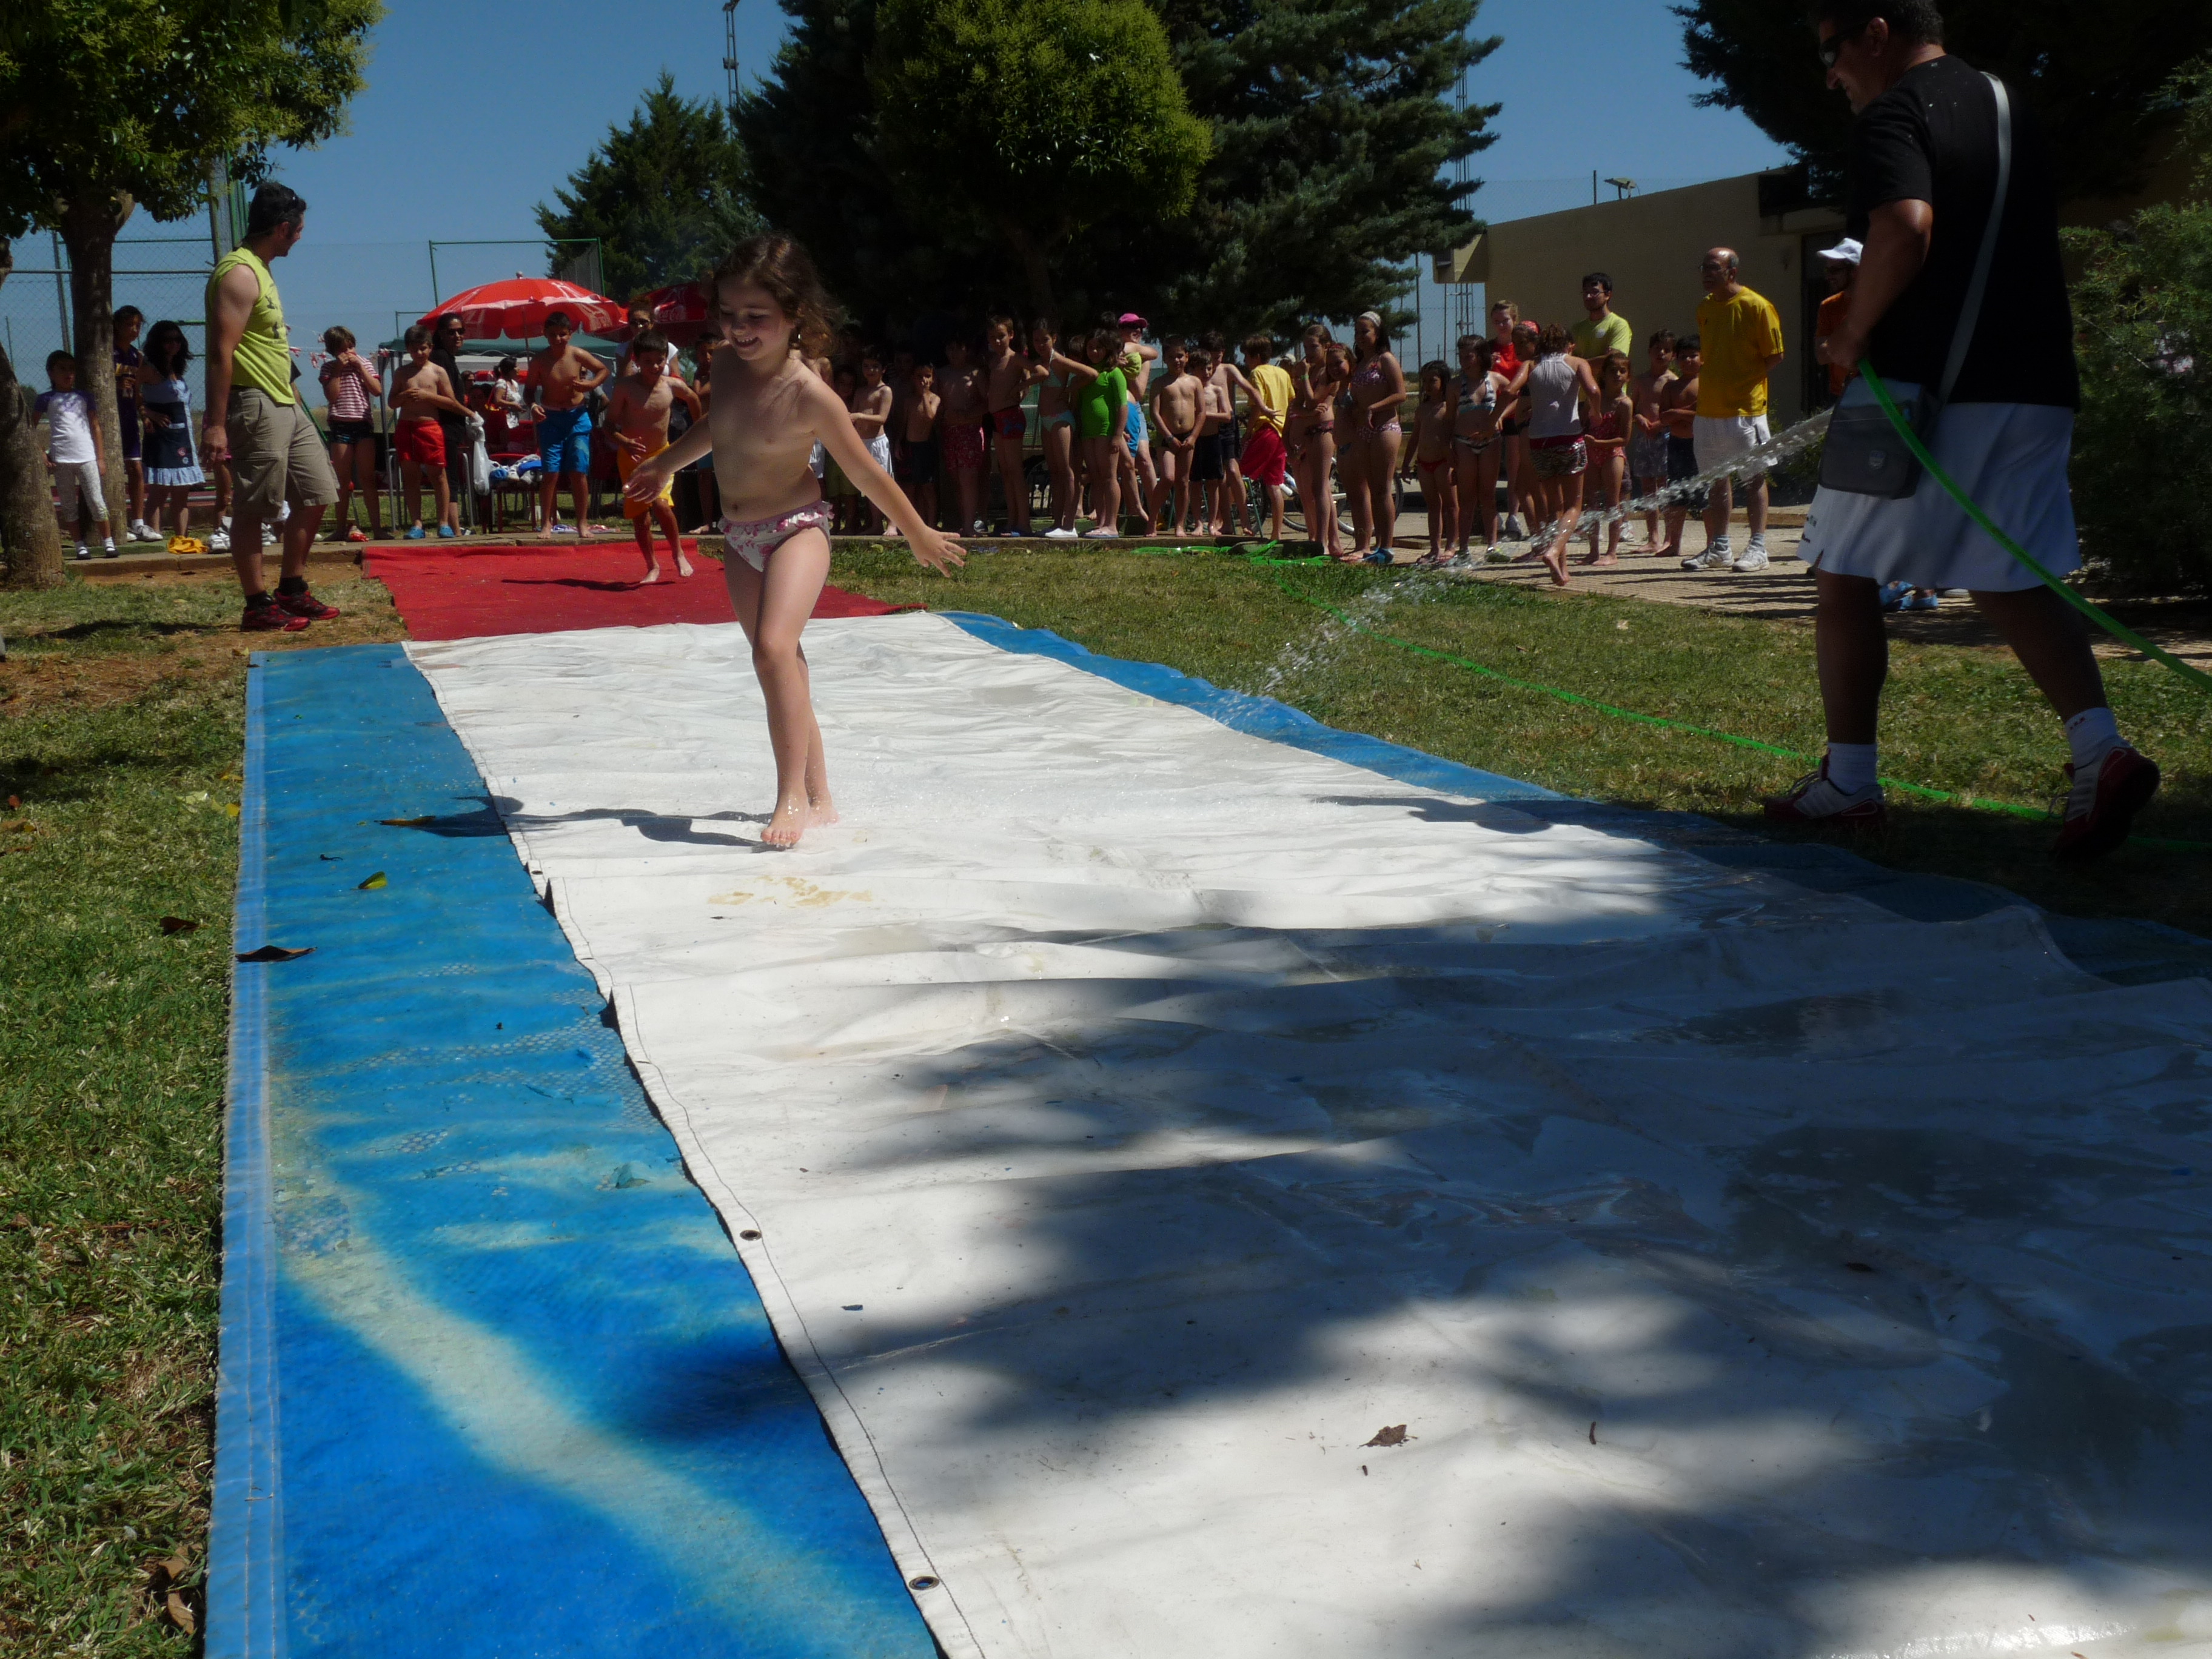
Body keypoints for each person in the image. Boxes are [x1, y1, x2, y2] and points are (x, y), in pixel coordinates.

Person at [1774, 0, 2159, 857]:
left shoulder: (1896, 112)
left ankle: (1850, 783)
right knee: (2007, 569)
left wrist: (1852, 332)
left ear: (1879, 32)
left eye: (1834, 50)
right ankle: (2100, 752)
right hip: (2036, 382)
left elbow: (1905, 227)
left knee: (1842, 571)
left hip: (1930, 392)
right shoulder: (2007, 101)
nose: (1831, 75)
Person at [620, 232, 960, 849]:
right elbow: (717, 426)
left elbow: (865, 473)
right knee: (782, 666)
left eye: (756, 316)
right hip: (739, 536)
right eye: (729, 313)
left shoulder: (810, 394)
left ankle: (790, 797)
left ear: (795, 315)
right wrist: (666, 462)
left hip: (797, 530)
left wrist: (917, 533)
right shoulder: (726, 366)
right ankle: (821, 793)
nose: (739, 328)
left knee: (773, 650)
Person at [202, 182, 341, 632]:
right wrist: (215, 424)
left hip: (285, 400)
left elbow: (268, 345)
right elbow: (221, 353)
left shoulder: (261, 270)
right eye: (298, 231)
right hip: (254, 401)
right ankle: (257, 605)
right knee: (254, 506)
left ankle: (291, 589)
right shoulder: (239, 274)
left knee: (319, 491)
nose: (299, 238)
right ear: (282, 228)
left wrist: (295, 395)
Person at [1681, 247, 1785, 572]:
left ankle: (1758, 548)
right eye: (1703, 267)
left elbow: (1775, 355)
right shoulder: (1705, 307)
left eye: (1713, 267)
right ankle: (1720, 548)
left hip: (1746, 410)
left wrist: (1743, 380)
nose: (1706, 274)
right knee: (1716, 480)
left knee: (1753, 479)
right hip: (1709, 410)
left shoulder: (1757, 306)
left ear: (1732, 272)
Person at [605, 327, 704, 582]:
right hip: (632, 459)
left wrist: (698, 432)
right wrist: (624, 442)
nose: (655, 366)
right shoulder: (625, 387)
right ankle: (652, 565)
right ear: (637, 361)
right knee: (641, 518)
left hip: (662, 457)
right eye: (648, 362)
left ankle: (678, 552)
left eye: (660, 361)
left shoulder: (672, 385)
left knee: (661, 505)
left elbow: (693, 399)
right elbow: (608, 425)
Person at [1512, 323, 1598, 587]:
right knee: (1574, 506)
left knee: (1554, 507)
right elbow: (1594, 391)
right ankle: (1553, 550)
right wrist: (1596, 413)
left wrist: (1494, 420)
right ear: (1569, 345)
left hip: (1539, 442)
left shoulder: (1531, 365)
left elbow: (1509, 391)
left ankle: (1561, 571)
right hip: (1569, 438)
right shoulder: (1577, 362)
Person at [525, 309, 609, 536]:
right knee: (550, 473)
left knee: (578, 471)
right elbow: (529, 391)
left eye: (562, 334)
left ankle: (582, 522)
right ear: (545, 334)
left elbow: (603, 370)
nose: (558, 339)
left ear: (570, 334)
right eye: (553, 335)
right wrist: (533, 407)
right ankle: (546, 523)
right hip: (550, 418)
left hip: (577, 417)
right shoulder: (539, 361)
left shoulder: (577, 355)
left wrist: (591, 385)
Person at [35, 352, 116, 559]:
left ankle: (108, 542)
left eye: (71, 369)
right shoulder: (46, 399)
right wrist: (42, 453)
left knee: (96, 501)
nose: (68, 374)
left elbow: (95, 426)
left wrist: (100, 458)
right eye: (62, 369)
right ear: (51, 373)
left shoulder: (84, 397)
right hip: (61, 460)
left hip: (87, 457)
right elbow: (30, 427)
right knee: (69, 505)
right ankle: (79, 545)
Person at [390, 324, 467, 540]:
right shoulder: (402, 373)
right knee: (410, 476)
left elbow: (451, 402)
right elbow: (391, 402)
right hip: (407, 426)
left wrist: (428, 397)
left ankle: (443, 523)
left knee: (438, 474)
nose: (419, 353)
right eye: (414, 349)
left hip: (430, 426)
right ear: (408, 349)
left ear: (430, 348)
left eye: (423, 349)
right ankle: (417, 523)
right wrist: (404, 396)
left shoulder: (437, 371)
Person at [1342, 311, 1407, 563]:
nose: (1360, 337)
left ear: (1377, 333)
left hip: (1385, 428)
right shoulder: (1360, 364)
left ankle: (1386, 547)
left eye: (1365, 331)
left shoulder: (1385, 359)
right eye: (1357, 332)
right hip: (1363, 431)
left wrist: (1374, 407)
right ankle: (1372, 546)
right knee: (1369, 489)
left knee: (1382, 489)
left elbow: (1401, 394)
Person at [136, 320, 206, 541]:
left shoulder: (176, 369)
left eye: (177, 340)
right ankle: (154, 536)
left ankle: (182, 539)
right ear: (158, 342)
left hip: (183, 436)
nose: (173, 344)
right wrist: (148, 413)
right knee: (159, 491)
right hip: (162, 437)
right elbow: (129, 395)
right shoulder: (148, 368)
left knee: (182, 492)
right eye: (167, 340)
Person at [319, 325, 382, 541]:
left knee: (368, 478)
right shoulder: (328, 368)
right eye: (343, 350)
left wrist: (361, 368)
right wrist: (338, 370)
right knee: (342, 481)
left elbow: (377, 390)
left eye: (350, 347)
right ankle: (340, 528)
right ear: (333, 351)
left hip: (363, 425)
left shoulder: (364, 363)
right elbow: (332, 396)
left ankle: (377, 528)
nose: (348, 353)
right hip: (340, 425)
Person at [1289, 326, 1346, 560]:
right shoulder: (1311, 371)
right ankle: (1324, 538)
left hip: (1323, 430)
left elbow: (1312, 401)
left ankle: (1325, 541)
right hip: (1307, 432)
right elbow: (1297, 405)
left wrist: (1303, 378)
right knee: (1309, 489)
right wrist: (1306, 413)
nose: (1309, 352)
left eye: (1313, 347)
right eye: (1306, 347)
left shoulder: (1327, 373)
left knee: (1321, 487)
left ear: (1326, 346)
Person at [1031, 321, 1091, 538]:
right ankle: (1057, 523)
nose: (1040, 344)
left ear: (1054, 339)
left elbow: (1091, 373)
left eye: (1045, 340)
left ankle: (1069, 525)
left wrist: (1070, 388)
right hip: (1047, 421)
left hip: (1060, 420)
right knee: (1055, 472)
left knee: (1067, 471)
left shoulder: (1058, 360)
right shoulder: (1040, 362)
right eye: (1036, 340)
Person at [1448, 333, 1506, 558]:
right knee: (1467, 497)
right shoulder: (1455, 385)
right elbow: (1449, 419)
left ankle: (1492, 546)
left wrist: (1500, 416)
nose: (1464, 361)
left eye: (1469, 356)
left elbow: (1516, 395)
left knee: (1488, 495)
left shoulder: (1495, 379)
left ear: (1481, 356)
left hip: (1491, 442)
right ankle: (1463, 548)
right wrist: (1449, 447)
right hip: (1464, 443)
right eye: (1461, 356)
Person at [982, 315, 1037, 535]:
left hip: (1011, 416)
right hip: (996, 418)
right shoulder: (993, 361)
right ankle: (1012, 520)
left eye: (1001, 336)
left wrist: (1021, 387)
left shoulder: (1015, 358)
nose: (997, 341)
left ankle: (1024, 522)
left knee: (1015, 471)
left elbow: (1041, 372)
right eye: (992, 337)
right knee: (1005, 471)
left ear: (1011, 335)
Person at [1072, 329, 1128, 538]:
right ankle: (1102, 523)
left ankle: (1112, 525)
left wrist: (1118, 435)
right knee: (1095, 477)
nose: (1094, 352)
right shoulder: (1086, 373)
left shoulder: (1114, 373)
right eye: (1090, 348)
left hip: (1106, 432)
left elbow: (1122, 406)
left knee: (1109, 476)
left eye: (1099, 348)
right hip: (1088, 432)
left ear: (1107, 349)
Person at [1239, 334, 1295, 543]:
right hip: (1281, 432)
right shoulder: (1282, 373)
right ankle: (1277, 533)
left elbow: (1257, 405)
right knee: (1274, 484)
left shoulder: (1257, 373)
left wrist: (1248, 432)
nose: (1245, 361)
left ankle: (1233, 520)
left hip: (1265, 429)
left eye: (1247, 356)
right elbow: (1291, 400)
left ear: (1256, 356)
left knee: (1241, 477)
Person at [1582, 350, 1635, 566]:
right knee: (1592, 502)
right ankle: (1593, 551)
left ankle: (1612, 552)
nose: (1618, 375)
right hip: (1592, 453)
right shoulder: (1595, 398)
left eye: (1623, 371)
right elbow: (1583, 425)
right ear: (1603, 374)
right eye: (1613, 371)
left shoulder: (1625, 404)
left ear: (1628, 376)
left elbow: (1625, 439)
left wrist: (1598, 443)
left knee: (1613, 502)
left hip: (1613, 454)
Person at [1628, 330, 1677, 556]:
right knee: (1648, 488)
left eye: (1667, 350)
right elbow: (1631, 407)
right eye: (1658, 349)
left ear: (1673, 355)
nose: (1661, 353)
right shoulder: (1641, 380)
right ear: (1649, 352)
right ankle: (1653, 537)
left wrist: (1660, 424)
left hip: (1664, 436)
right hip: (1644, 437)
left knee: (1665, 487)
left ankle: (1669, 537)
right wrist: (1638, 418)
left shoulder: (1673, 381)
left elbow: (1675, 412)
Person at [1487, 300, 1532, 539]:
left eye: (1505, 320)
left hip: (1516, 413)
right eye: (1497, 321)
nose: (1501, 325)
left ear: (1515, 319)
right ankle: (1491, 516)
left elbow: (1523, 386)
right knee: (1491, 467)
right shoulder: (1488, 349)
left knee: (1514, 467)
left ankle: (1514, 515)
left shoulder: (1522, 348)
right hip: (1492, 414)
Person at [1148, 339, 1202, 536]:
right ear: (1165, 359)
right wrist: (1169, 436)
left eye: (1180, 356)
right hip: (1167, 437)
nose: (1176, 360)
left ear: (1187, 357)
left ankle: (1180, 524)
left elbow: (1201, 412)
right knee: (1168, 478)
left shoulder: (1194, 382)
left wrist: (1194, 436)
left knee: (1183, 481)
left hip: (1188, 437)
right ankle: (1152, 520)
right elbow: (1154, 413)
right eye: (1171, 357)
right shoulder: (1160, 383)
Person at [429, 313, 475, 534]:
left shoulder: (448, 358)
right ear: (440, 334)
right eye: (451, 332)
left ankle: (455, 527)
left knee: (451, 477)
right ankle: (453, 528)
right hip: (444, 426)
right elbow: (446, 399)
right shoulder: (441, 357)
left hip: (452, 427)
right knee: (449, 478)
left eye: (461, 331)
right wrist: (470, 414)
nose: (457, 336)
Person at [1658, 335, 1703, 563]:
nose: (1688, 360)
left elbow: (1704, 416)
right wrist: (1685, 414)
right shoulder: (1671, 387)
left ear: (1703, 358)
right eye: (1683, 357)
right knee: (1676, 497)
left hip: (1700, 446)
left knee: (1705, 497)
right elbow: (1664, 417)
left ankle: (1712, 543)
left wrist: (1678, 413)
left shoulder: (1706, 384)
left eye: (1693, 356)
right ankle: (1673, 543)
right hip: (1677, 444)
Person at [113, 306, 155, 543]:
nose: (134, 329)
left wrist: (144, 414)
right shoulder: (106, 353)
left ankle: (138, 523)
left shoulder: (136, 356)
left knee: (136, 469)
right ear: (117, 326)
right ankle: (115, 523)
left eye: (138, 325)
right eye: (129, 324)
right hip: (109, 420)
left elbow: (139, 392)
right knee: (111, 472)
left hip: (129, 419)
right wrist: (115, 385)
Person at [938, 333, 988, 534]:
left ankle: (969, 525)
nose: (955, 353)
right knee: (956, 480)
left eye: (959, 348)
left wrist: (968, 414)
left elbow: (988, 403)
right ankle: (964, 521)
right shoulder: (941, 374)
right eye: (951, 349)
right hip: (949, 432)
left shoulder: (975, 374)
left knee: (969, 479)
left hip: (970, 431)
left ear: (967, 350)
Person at [1409, 361, 1457, 566]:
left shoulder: (1449, 408)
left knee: (1451, 505)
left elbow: (1455, 435)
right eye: (1425, 381)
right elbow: (1415, 437)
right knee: (1433, 506)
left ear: (1444, 382)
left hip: (1444, 462)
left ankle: (1451, 546)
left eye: (1433, 381)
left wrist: (1455, 462)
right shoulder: (1422, 409)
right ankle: (1435, 548)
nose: (1427, 385)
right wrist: (1406, 463)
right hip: (1424, 463)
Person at [848, 347, 895, 535]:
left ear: (883, 369)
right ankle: (876, 524)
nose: (870, 370)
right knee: (869, 486)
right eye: (866, 366)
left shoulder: (885, 391)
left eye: (875, 366)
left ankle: (893, 523)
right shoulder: (860, 391)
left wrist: (859, 416)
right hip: (863, 443)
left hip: (877, 443)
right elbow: (852, 416)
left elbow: (882, 418)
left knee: (885, 484)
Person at [1815, 236, 1863, 398]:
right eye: (1827, 270)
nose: (1828, 276)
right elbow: (1821, 356)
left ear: (1855, 271)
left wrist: (1835, 346)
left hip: (1874, 391)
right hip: (1840, 395)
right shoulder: (1828, 306)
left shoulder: (1876, 302)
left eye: (1834, 271)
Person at [897, 360, 942, 529]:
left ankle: (931, 524)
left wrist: (924, 395)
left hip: (925, 448)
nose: (923, 380)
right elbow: (904, 424)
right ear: (913, 378)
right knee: (911, 487)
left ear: (933, 379)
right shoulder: (909, 400)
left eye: (927, 376)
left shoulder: (934, 399)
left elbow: (930, 417)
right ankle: (915, 524)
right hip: (910, 447)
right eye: (919, 376)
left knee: (928, 488)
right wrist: (898, 443)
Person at [1570, 275, 1634, 368]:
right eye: (1586, 292)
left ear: (1608, 295)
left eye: (1595, 292)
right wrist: (1601, 358)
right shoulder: (1577, 328)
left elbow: (1613, 361)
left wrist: (1578, 364)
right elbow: (1567, 361)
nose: (1588, 296)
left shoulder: (1619, 325)